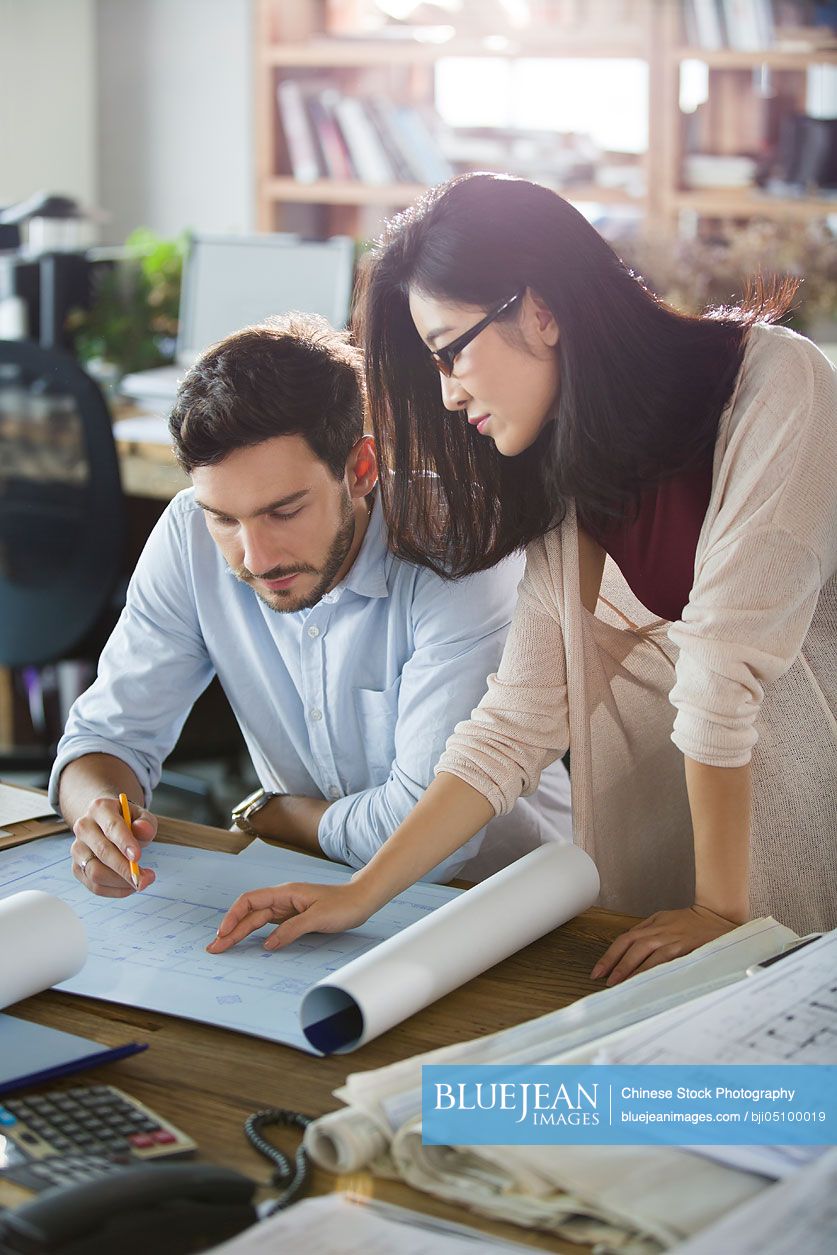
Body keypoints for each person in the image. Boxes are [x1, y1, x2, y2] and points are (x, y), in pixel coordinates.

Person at [208, 174, 836, 981]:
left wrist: (720, 915)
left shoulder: (778, 382)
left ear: (539, 308)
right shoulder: (568, 466)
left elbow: (720, 671)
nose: (445, 389)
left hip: (802, 818)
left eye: (451, 349)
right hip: (701, 842)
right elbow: (515, 721)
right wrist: (360, 895)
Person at [52, 312, 572, 897]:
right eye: (225, 518)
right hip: (301, 885)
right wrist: (98, 813)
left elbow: (429, 843)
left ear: (360, 469)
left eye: (284, 511)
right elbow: (104, 738)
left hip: (503, 899)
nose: (257, 557)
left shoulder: (463, 550)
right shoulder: (188, 534)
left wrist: (281, 818)